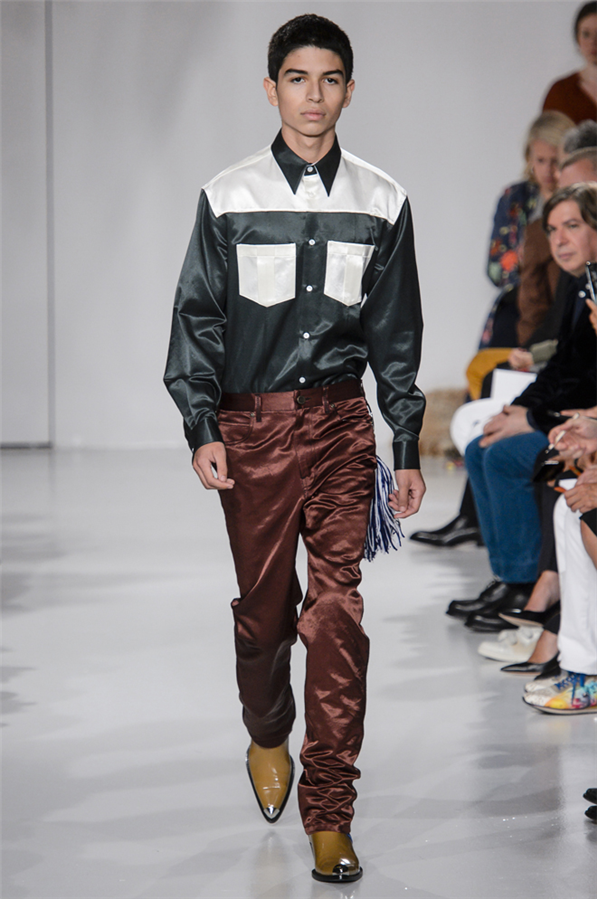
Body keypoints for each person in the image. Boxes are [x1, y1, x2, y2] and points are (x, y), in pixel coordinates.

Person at [164, 14, 425, 884]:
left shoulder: (382, 200)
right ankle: (267, 728)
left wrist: (405, 439)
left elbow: (395, 333)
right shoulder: (228, 196)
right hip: (253, 430)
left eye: (330, 79)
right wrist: (202, 425)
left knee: (336, 610)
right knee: (265, 614)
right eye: (298, 79)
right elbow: (198, 319)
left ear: (350, 89)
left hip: (342, 425)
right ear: (270, 88)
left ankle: (330, 810)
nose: (314, 96)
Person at [451, 184, 597, 630]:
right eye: (552, 230)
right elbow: (563, 366)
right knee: (480, 446)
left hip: (582, 422)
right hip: (573, 416)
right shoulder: (579, 283)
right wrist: (517, 412)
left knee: (511, 457)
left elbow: (584, 381)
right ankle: (509, 576)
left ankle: (528, 582)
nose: (559, 240)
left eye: (572, 226)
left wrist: (532, 418)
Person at [542, 2, 597, 124]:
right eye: (586, 34)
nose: (593, 41)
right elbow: (546, 134)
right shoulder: (560, 92)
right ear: (577, 38)